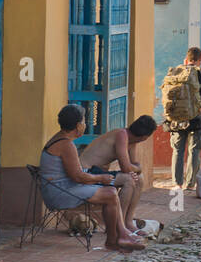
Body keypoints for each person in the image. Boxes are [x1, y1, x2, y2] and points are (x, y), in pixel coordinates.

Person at [40, 105, 144, 252]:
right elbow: (78, 176)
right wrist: (100, 177)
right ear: (78, 125)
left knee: (111, 193)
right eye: (83, 121)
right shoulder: (66, 145)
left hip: (60, 187)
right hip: (59, 193)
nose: (85, 125)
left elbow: (75, 174)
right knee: (110, 194)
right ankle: (115, 239)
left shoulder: (61, 139)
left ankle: (118, 237)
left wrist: (98, 178)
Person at [79, 114, 157, 236]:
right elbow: (127, 167)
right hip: (87, 172)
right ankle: (117, 225)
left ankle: (128, 222)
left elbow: (133, 164)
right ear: (145, 137)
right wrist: (137, 169)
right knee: (128, 180)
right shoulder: (122, 135)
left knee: (139, 179)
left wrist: (136, 169)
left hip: (98, 171)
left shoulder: (131, 141)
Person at [166, 47, 201, 192]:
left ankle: (177, 183)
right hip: (196, 116)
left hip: (177, 116)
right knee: (194, 150)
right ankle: (190, 183)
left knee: (177, 150)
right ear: (200, 60)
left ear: (186, 59)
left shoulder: (177, 72)